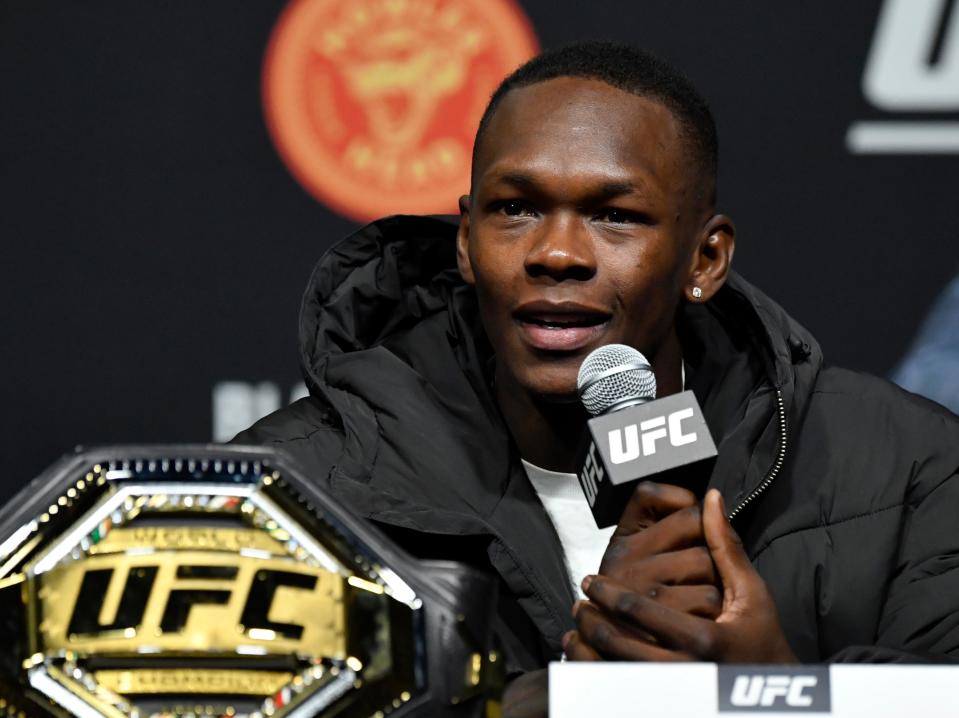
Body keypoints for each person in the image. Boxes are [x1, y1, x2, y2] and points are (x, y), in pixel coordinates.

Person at [234, 41, 959, 715]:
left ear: (703, 260)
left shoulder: (912, 467)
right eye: (514, 209)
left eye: (614, 216)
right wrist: (558, 703)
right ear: (464, 241)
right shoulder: (292, 493)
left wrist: (770, 691)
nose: (555, 253)